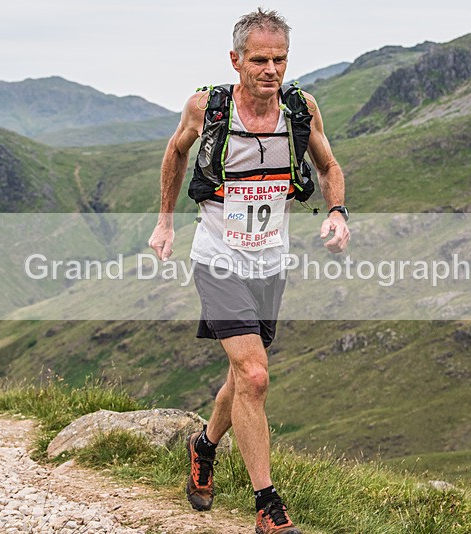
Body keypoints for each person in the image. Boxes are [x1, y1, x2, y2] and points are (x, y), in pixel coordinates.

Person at [148, 8, 349, 534]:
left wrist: (336, 212)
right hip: (217, 258)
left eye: (279, 59)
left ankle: (204, 445)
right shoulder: (208, 108)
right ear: (235, 60)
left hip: (271, 261)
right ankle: (267, 504)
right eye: (259, 59)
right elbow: (174, 153)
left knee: (243, 377)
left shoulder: (300, 110)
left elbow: (329, 166)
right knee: (256, 376)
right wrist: (165, 222)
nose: (270, 70)